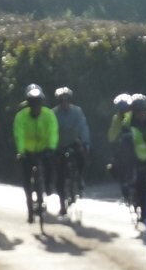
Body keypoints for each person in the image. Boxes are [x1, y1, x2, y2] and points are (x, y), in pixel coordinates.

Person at [13, 83, 58, 223]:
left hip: (44, 149)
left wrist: (51, 147)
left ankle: (48, 187)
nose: (36, 107)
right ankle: (30, 208)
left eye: (38, 104)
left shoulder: (49, 114)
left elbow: (53, 132)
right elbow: (19, 135)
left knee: (50, 167)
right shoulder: (21, 116)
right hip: (28, 151)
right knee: (26, 179)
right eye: (33, 104)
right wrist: (21, 152)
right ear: (28, 104)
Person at [52, 86, 91, 215]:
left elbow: (83, 127)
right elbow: (50, 131)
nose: (64, 103)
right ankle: (62, 204)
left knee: (82, 156)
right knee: (59, 176)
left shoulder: (77, 111)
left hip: (74, 142)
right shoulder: (53, 114)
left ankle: (80, 178)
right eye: (61, 101)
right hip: (59, 145)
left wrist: (85, 142)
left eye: (67, 100)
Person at [107, 93, 133, 200]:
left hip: (137, 145)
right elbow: (112, 134)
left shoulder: (134, 115)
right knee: (116, 163)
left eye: (126, 109)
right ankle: (123, 182)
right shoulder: (116, 118)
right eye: (121, 110)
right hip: (123, 146)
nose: (123, 112)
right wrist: (115, 140)